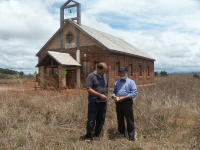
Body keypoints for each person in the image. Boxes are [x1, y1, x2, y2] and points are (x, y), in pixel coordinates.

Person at [112, 67, 137, 141]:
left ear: (127, 73)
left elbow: (134, 93)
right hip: (118, 103)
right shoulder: (117, 82)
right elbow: (113, 92)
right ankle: (121, 135)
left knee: (129, 120)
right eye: (120, 72)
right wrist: (115, 97)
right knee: (120, 119)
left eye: (123, 72)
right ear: (119, 73)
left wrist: (125, 97)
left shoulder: (131, 82)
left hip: (127, 102)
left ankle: (131, 138)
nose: (122, 74)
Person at [84, 62, 108, 141]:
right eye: (103, 71)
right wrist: (100, 95)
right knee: (91, 120)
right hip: (94, 102)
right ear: (98, 69)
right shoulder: (91, 76)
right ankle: (88, 136)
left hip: (103, 103)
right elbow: (89, 89)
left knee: (101, 119)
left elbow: (106, 87)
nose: (104, 73)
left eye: (105, 71)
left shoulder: (104, 76)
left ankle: (97, 135)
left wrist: (105, 95)